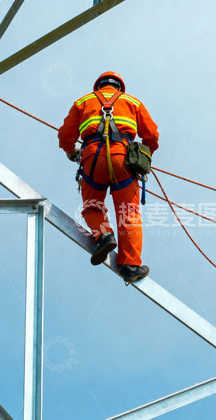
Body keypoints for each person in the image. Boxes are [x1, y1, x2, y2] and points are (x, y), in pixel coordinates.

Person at [58, 71, 160, 282]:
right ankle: (130, 266)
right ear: (120, 87)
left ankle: (104, 235)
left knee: (92, 206)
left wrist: (70, 151)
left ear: (98, 87)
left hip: (92, 159)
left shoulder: (83, 102)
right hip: (123, 160)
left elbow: (65, 135)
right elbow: (152, 135)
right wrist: (143, 155)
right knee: (128, 212)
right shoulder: (133, 102)